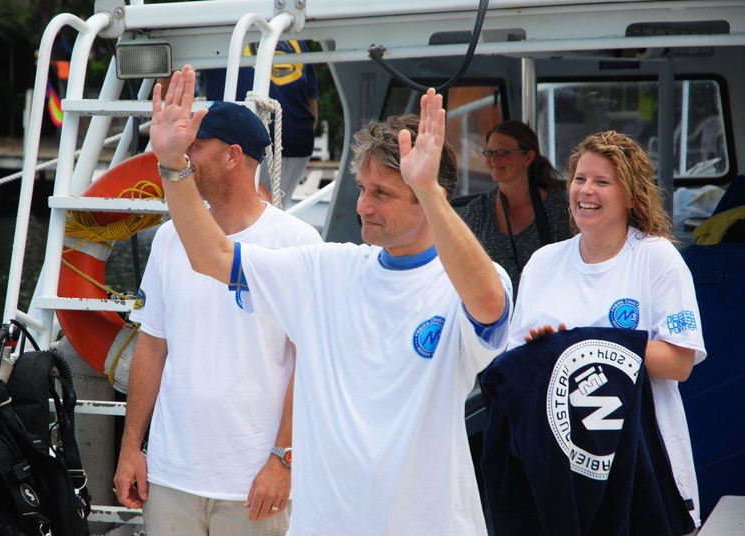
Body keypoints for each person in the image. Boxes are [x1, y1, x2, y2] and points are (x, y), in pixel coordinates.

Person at [151, 65, 513, 535]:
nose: (362, 206)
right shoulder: (325, 270)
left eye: (382, 193)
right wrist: (173, 166)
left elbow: (489, 305)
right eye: (363, 189)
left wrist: (428, 191)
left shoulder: (464, 283)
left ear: (429, 198)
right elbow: (210, 254)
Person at [113, 100, 322, 535]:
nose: (183, 154)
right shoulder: (171, 239)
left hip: (254, 484)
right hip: (171, 477)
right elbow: (152, 345)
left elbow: (311, 363)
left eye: (197, 144)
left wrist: (283, 460)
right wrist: (131, 447)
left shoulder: (298, 242)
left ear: (232, 156)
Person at [508, 130, 706, 529]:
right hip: (562, 471)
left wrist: (582, 343)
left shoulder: (657, 259)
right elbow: (512, 368)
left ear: (631, 195)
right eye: (580, 179)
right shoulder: (542, 263)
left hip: (645, 472)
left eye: (602, 182)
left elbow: (680, 361)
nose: (586, 190)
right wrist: (541, 353)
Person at [461, 120, 572, 297]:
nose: (494, 159)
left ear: (528, 157)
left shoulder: (559, 213)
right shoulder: (477, 212)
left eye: (503, 152)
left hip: (545, 320)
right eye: (489, 152)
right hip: (493, 318)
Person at [205, 39, 318, 209]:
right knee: (272, 212)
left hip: (237, 140)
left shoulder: (222, 29)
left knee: (233, 213)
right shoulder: (296, 40)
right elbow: (312, 108)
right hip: (296, 138)